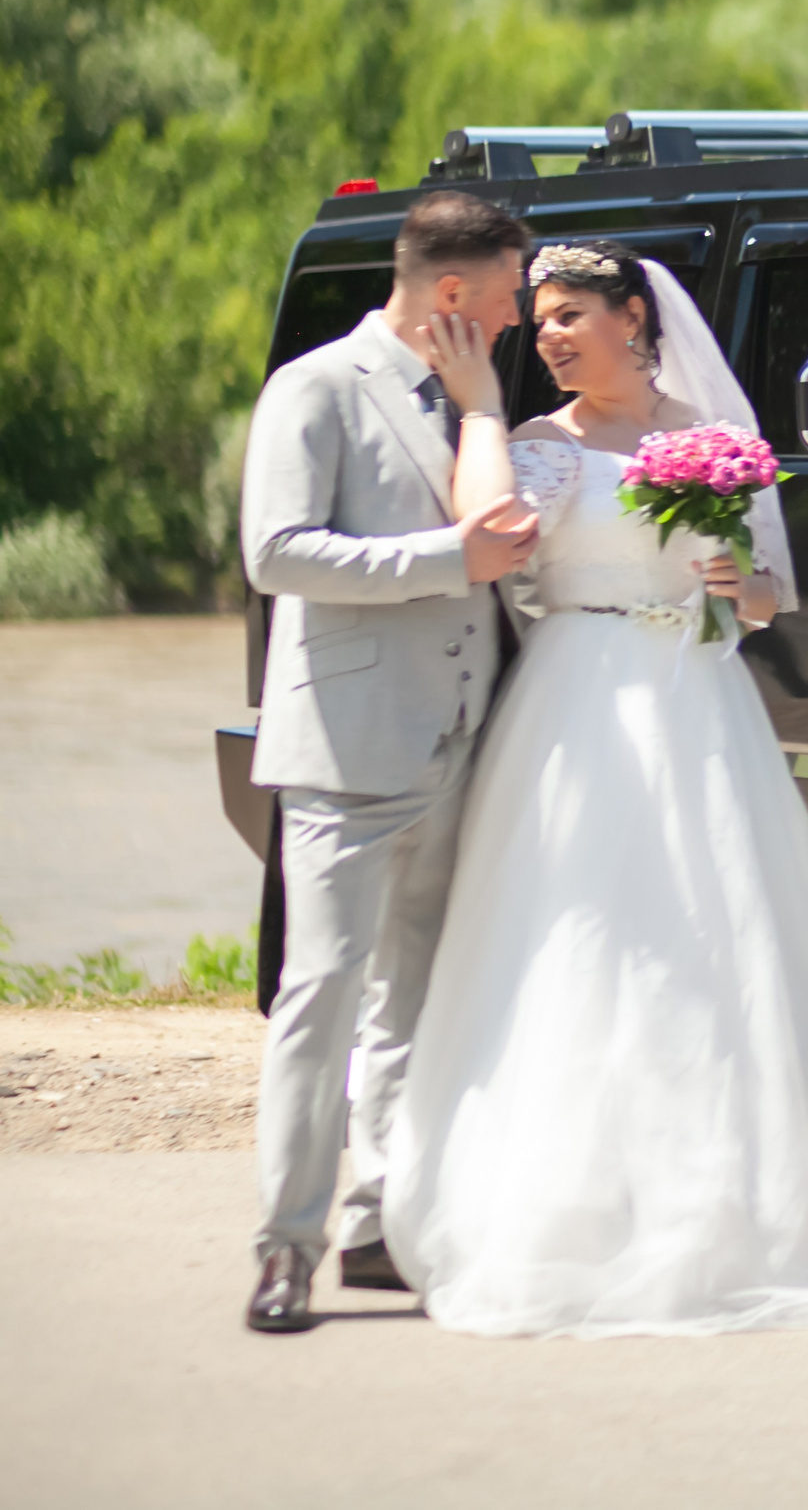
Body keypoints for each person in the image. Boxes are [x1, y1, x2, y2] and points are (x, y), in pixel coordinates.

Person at [381, 241, 808, 1338]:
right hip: (576, 697)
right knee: (579, 937)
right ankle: (569, 1204)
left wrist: (734, 582)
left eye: (569, 315)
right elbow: (498, 553)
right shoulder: (542, 445)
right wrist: (482, 413)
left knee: (715, 936)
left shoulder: (712, 441)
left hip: (696, 696)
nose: (549, 336)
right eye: (541, 317)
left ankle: (737, 1205)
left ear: (633, 317)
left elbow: (762, 602)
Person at [239, 191, 538, 1333]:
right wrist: (449, 559)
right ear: (451, 290)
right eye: (507, 295)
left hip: (459, 743)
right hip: (346, 751)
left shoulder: (476, 391)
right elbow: (277, 554)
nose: (516, 317)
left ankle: (377, 1225)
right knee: (319, 1001)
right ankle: (285, 1247)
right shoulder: (314, 386)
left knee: (409, 1003)